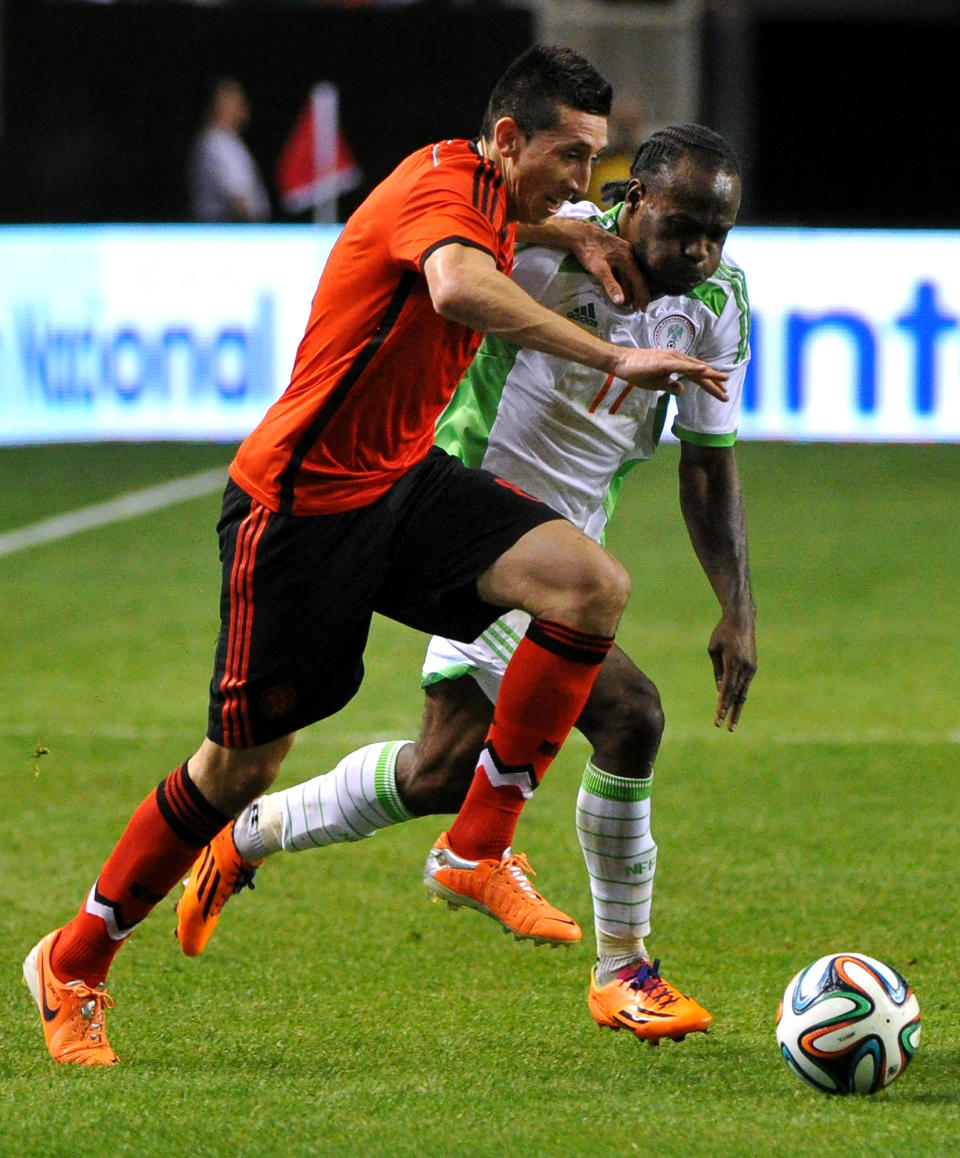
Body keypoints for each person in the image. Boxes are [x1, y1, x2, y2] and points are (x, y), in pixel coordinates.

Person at [23, 48, 728, 1066]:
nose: (587, 183)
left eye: (596, 161)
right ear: (507, 138)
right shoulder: (443, 184)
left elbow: (500, 234)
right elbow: (455, 288)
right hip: (298, 511)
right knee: (240, 766)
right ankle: (75, 960)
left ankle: (477, 843)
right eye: (570, 159)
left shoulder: (492, 197)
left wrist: (558, 231)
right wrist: (612, 351)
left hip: (398, 485)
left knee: (589, 586)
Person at [175, 124, 756, 1043]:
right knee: (630, 715)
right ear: (632, 197)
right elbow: (439, 267)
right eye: (683, 225)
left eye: (717, 232)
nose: (700, 250)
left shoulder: (720, 299)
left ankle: (244, 835)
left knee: (445, 769)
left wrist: (737, 606)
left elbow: (707, 464)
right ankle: (625, 970)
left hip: (560, 551)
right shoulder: (543, 242)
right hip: (470, 531)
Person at [187, 77, 271, 223]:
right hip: (229, 232)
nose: (243, 107)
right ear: (221, 106)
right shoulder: (217, 142)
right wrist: (255, 230)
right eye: (236, 101)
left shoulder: (226, 139)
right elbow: (237, 198)